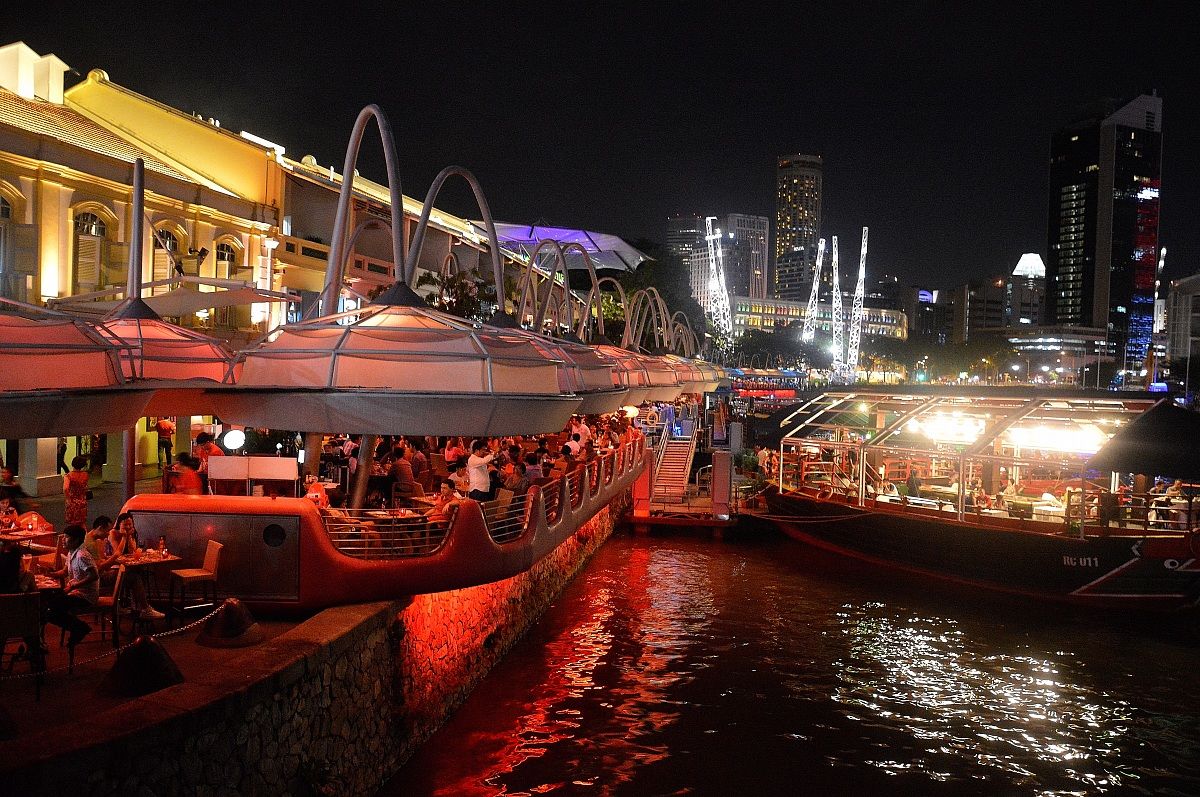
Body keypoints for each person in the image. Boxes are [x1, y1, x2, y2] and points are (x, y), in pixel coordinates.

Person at [45, 524, 97, 649]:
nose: (63, 539)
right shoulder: (71, 552)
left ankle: (80, 628)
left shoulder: (82, 555)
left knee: (50, 609)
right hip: (75, 592)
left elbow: (94, 575)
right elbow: (64, 572)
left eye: (66, 537)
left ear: (76, 540)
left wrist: (73, 586)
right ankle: (77, 628)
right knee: (47, 603)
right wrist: (49, 574)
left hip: (85, 596)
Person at [63, 454, 90, 528]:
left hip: (73, 502)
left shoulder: (68, 476)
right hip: (82, 501)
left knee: (73, 523)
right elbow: (86, 487)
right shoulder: (85, 475)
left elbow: (65, 488)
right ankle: (85, 537)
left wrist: (68, 498)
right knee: (82, 523)